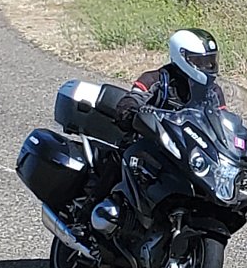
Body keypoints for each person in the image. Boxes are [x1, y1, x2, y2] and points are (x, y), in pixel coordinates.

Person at [85, 28, 224, 232]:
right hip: (148, 142)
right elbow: (133, 98)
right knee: (119, 161)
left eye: (210, 61)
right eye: (200, 61)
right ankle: (87, 217)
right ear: (182, 57)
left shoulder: (213, 91)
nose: (207, 67)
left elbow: (221, 119)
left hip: (185, 149)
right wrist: (131, 109)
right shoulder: (157, 79)